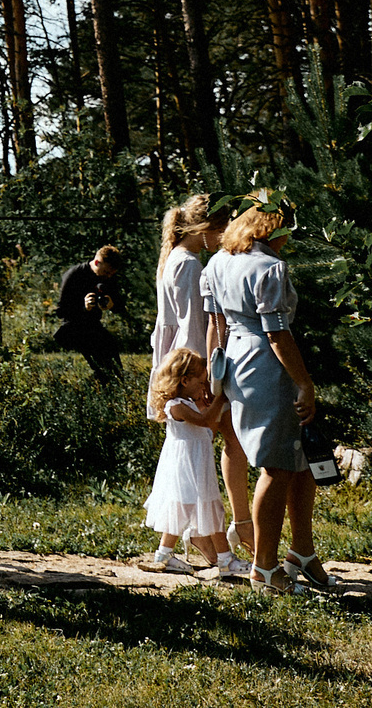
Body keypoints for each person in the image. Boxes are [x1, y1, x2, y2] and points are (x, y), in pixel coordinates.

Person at [202, 191, 336, 596]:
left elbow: (215, 325)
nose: (289, 240)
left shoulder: (218, 262)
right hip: (267, 365)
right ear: (273, 230)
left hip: (236, 362)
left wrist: (215, 379)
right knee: (276, 466)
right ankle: (264, 567)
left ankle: (302, 553)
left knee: (299, 459)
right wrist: (304, 382)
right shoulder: (270, 267)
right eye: (287, 231)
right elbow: (277, 333)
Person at [152, 195, 253, 563]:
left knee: (198, 455)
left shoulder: (175, 258)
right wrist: (203, 381)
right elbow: (196, 325)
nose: (225, 236)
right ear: (203, 228)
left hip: (180, 365)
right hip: (190, 368)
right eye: (221, 228)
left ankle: (201, 537)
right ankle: (223, 532)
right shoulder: (190, 265)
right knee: (211, 452)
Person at [141, 347, 239, 574]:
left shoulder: (190, 403)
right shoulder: (175, 406)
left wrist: (209, 403)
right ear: (185, 381)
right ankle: (225, 559)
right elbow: (205, 421)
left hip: (198, 462)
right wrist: (220, 399)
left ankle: (164, 554)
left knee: (189, 508)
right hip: (186, 464)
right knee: (203, 508)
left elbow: (209, 430)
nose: (204, 387)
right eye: (201, 382)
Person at [53, 245, 125, 383]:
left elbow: (121, 307)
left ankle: (106, 385)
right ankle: (100, 385)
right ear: (97, 262)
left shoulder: (107, 276)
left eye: (111, 274)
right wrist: (84, 307)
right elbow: (61, 311)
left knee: (113, 360)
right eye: (106, 272)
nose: (108, 276)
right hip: (74, 326)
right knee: (103, 362)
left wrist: (112, 305)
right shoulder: (74, 275)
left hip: (92, 325)